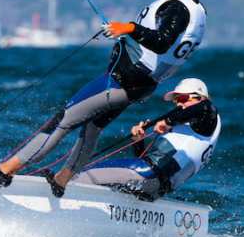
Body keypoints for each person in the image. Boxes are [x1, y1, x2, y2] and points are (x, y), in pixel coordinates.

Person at [0, 0, 210, 194]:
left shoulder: (178, 7)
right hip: (140, 85)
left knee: (62, 121)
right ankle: (62, 180)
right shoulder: (199, 11)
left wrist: (128, 28)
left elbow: (162, 42)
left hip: (122, 81)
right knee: (93, 127)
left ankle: (3, 172)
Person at [73, 77, 220, 200]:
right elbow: (143, 160)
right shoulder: (191, 128)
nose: (179, 104)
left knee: (80, 176)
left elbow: (205, 107)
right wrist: (138, 141)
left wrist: (167, 121)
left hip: (147, 175)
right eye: (176, 100)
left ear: (199, 97)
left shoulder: (208, 115)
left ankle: (60, 185)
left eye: (182, 98)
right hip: (154, 189)